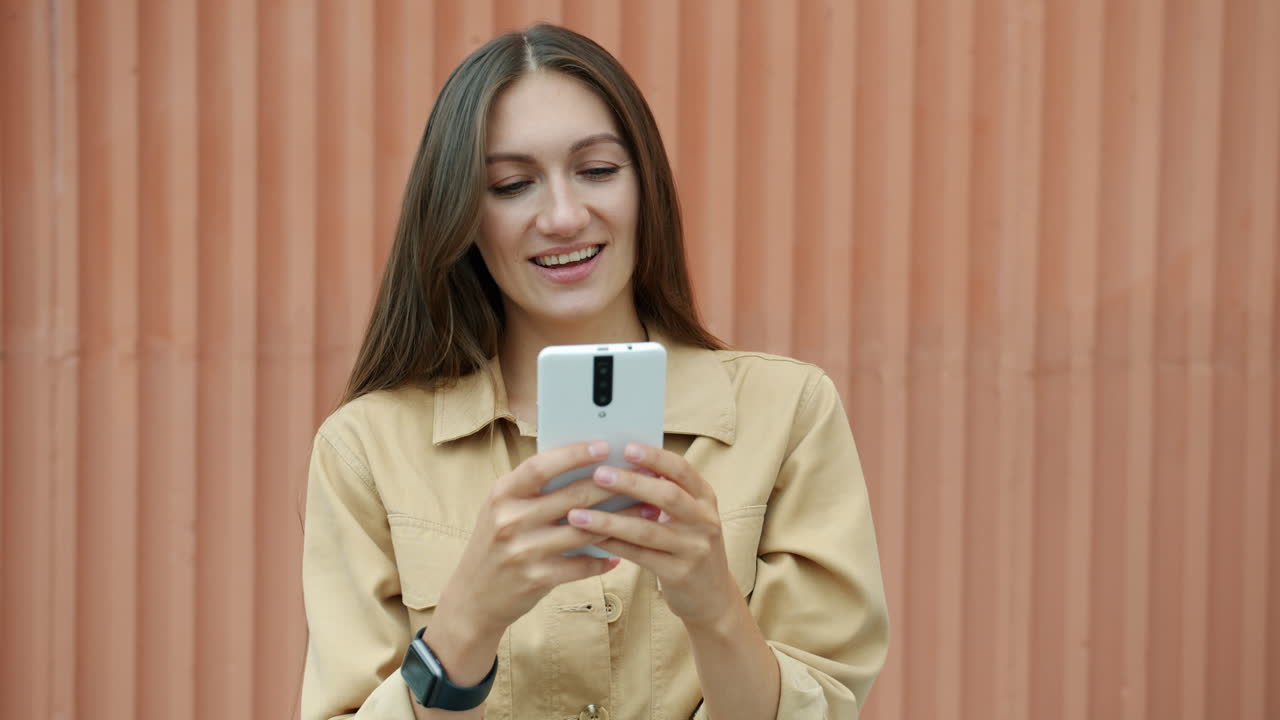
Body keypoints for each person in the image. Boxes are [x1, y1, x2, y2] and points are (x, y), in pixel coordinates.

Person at [301, 23, 888, 720]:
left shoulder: (788, 413)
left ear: (646, 186)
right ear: (462, 214)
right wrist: (466, 625)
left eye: (599, 170)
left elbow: (829, 703)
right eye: (513, 184)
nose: (564, 215)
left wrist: (716, 611)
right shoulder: (365, 450)